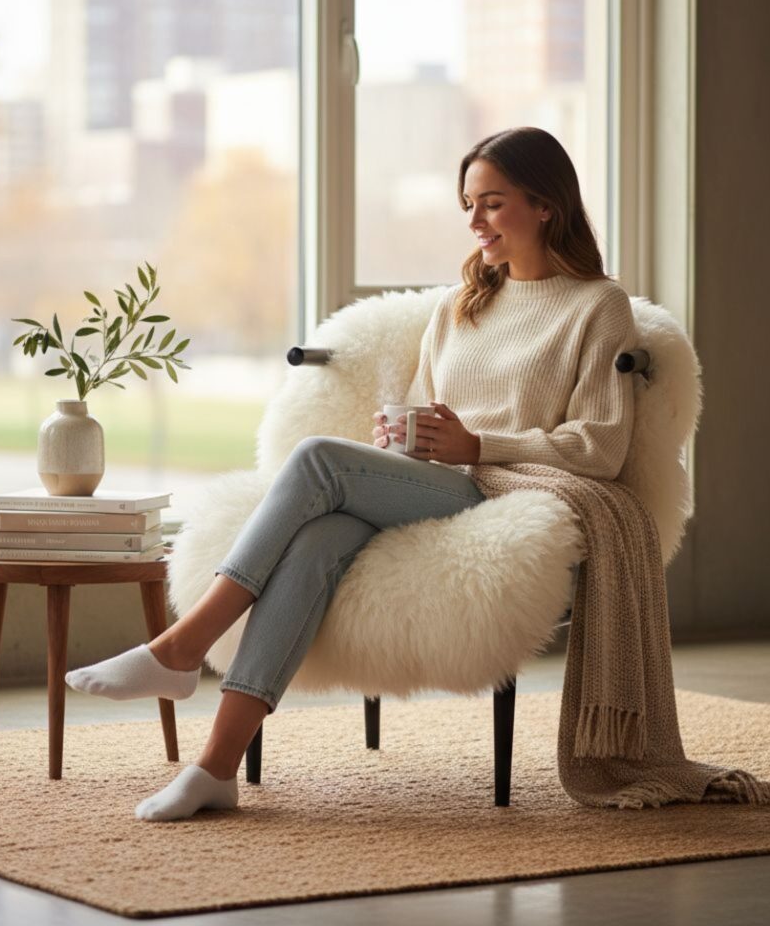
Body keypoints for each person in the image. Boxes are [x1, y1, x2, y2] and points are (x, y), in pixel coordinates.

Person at [66, 126, 637, 821]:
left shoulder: (598, 306)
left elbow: (601, 446)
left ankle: (181, 646)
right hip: (435, 478)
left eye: (491, 203)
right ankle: (215, 768)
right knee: (315, 541)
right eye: (468, 204)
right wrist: (402, 441)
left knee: (316, 459)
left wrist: (477, 445)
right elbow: (431, 410)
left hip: (502, 486)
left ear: (545, 204)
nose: (474, 221)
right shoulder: (463, 305)